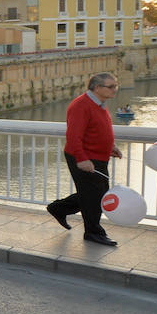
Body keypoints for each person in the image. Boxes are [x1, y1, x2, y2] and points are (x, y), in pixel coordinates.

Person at [47, 73, 123, 247]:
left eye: (115, 86)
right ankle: (93, 232)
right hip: (84, 157)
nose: (115, 89)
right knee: (95, 195)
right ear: (97, 88)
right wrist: (82, 159)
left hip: (98, 156)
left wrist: (111, 146)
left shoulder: (99, 103)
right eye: (111, 86)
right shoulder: (81, 105)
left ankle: (59, 208)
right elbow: (73, 136)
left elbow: (98, 129)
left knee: (97, 193)